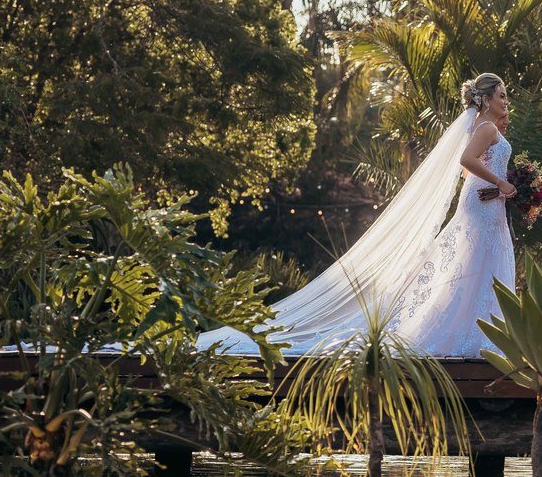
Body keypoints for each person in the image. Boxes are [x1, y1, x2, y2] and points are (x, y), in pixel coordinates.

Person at [196, 73, 517, 358]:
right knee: (476, 265)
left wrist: (498, 185)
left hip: (487, 202)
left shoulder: (482, 126)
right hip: (482, 206)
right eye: (501, 95)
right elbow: (465, 159)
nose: (505, 101)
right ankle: (479, 337)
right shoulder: (486, 127)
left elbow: (468, 167)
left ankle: (482, 334)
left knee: (476, 268)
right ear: (485, 99)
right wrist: (500, 181)